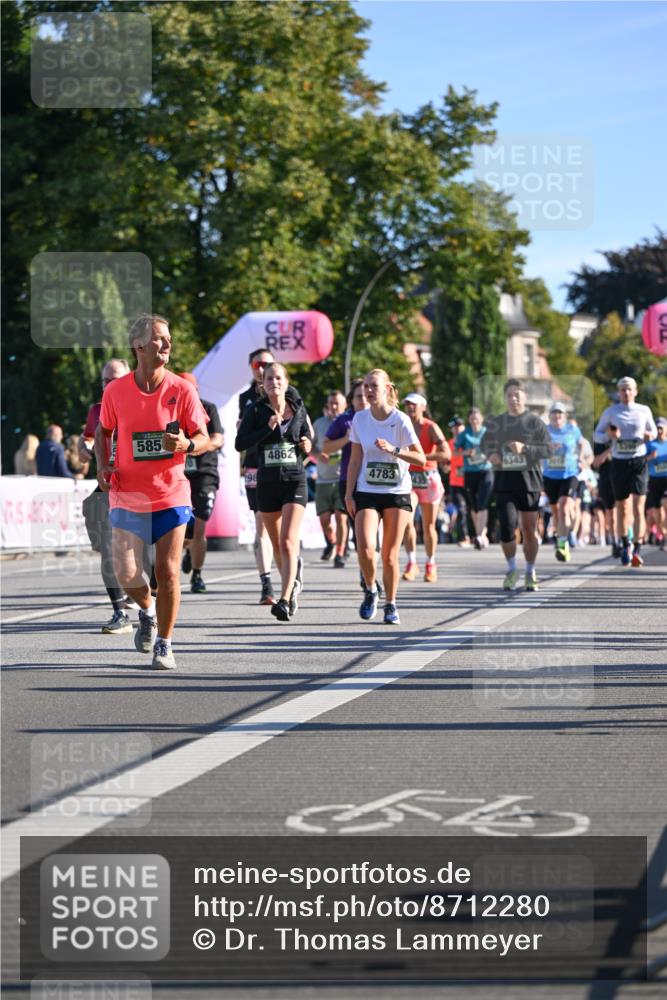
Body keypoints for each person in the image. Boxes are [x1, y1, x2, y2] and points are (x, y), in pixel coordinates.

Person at [95, 314, 210, 670]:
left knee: (169, 571)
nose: (167, 344)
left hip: (170, 493)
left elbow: (204, 439)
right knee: (126, 570)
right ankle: (146, 612)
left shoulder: (182, 390)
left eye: (168, 338)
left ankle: (165, 642)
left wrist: (187, 444)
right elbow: (103, 432)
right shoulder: (116, 391)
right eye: (159, 338)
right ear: (139, 345)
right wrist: (103, 464)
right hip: (127, 492)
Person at [345, 368, 425, 624]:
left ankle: (391, 604)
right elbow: (355, 459)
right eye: (366, 386)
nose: (368, 391)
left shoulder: (400, 419)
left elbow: (420, 458)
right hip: (367, 490)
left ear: (387, 389)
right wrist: (349, 494)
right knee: (366, 548)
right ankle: (371, 589)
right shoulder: (359, 419)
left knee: (389, 555)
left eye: (374, 386)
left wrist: (394, 449)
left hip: (397, 491)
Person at [235, 362, 312, 622]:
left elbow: (306, 438)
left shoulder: (298, 408)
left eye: (279, 378)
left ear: (286, 381)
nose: (274, 382)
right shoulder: (255, 410)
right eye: (269, 379)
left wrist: (306, 444)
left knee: (289, 541)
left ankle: (285, 597)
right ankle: (294, 581)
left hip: (294, 480)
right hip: (266, 482)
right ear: (262, 384)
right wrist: (266, 429)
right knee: (278, 544)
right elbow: (239, 444)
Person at [80, 357, 142, 635]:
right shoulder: (96, 409)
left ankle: (148, 603)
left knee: (144, 555)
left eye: (115, 379)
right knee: (107, 547)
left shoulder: (142, 403)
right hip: (108, 486)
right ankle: (119, 612)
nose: (110, 384)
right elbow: (90, 437)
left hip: (140, 487)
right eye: (106, 380)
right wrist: (86, 448)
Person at [483, 378, 551, 591]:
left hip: (529, 482)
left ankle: (530, 570)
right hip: (504, 483)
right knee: (507, 529)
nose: (514, 399)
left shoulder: (535, 422)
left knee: (529, 529)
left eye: (517, 395)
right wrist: (492, 455)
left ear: (525, 397)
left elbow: (548, 449)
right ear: (505, 398)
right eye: (510, 395)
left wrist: (526, 449)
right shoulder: (497, 422)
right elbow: (485, 444)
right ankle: (512, 569)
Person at [594, 376, 657, 567]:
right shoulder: (611, 412)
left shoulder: (644, 410)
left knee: (638, 507)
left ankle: (637, 548)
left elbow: (653, 432)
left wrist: (648, 435)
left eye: (629, 389)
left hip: (638, 462)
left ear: (636, 391)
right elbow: (596, 436)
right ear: (618, 392)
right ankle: (624, 544)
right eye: (623, 389)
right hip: (619, 463)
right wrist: (609, 435)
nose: (626, 392)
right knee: (621, 508)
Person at [238, 348, 279, 605]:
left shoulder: (287, 392)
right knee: (261, 524)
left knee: (281, 528)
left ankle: (290, 573)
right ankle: (266, 583)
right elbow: (242, 435)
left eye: (267, 364)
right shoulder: (246, 398)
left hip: (284, 467)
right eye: (257, 364)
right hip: (255, 464)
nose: (262, 369)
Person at [178, 372, 224, 594]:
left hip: (204, 472)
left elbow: (217, 439)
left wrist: (195, 446)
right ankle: (188, 550)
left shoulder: (209, 409)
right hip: (179, 475)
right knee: (182, 529)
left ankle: (197, 575)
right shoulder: (172, 412)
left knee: (199, 525)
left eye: (191, 390)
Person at [322, 379, 371, 585]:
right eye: (358, 396)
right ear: (352, 400)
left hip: (378, 482)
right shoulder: (344, 420)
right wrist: (346, 438)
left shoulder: (382, 417)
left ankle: (370, 571)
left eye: (366, 395)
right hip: (349, 480)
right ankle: (365, 572)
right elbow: (326, 447)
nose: (363, 399)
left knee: (372, 535)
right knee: (360, 532)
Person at [400, 392, 450, 582]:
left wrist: (421, 457)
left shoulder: (430, 427)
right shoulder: (402, 424)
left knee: (429, 526)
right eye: (407, 404)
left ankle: (431, 564)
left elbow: (446, 454)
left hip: (428, 477)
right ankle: (412, 563)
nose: (410, 408)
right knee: (407, 522)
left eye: (414, 404)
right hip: (409, 478)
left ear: (423, 406)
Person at [542, 402, 584, 563]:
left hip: (569, 474)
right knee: (555, 512)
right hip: (550, 475)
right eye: (554, 413)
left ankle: (562, 543)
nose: (557, 416)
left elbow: (581, 443)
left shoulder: (572, 429)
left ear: (564, 415)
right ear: (550, 415)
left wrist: (580, 458)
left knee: (564, 506)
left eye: (560, 413)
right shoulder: (544, 431)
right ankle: (563, 536)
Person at [312, 391, 348, 567]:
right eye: (330, 404)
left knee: (341, 518)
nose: (333, 407)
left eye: (337, 404)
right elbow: (309, 445)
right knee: (325, 519)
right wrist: (318, 455)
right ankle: (332, 542)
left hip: (342, 478)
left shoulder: (348, 424)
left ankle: (340, 552)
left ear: (344, 406)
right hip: (323, 480)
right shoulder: (319, 424)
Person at [456, 407, 494, 550]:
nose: (474, 420)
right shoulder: (464, 434)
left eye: (476, 418)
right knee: (474, 505)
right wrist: (465, 452)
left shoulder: (487, 433)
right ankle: (482, 534)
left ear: (481, 419)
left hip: (486, 470)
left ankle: (478, 535)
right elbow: (454, 452)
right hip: (470, 472)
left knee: (482, 502)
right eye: (471, 418)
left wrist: (487, 454)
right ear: (469, 420)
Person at [447, 417, 471, 546]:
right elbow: (445, 460)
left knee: (475, 510)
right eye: (454, 427)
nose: (456, 429)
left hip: (470, 481)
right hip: (455, 482)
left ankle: (481, 534)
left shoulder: (469, 442)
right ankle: (464, 537)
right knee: (461, 509)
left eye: (459, 426)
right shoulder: (449, 443)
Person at [645, 417, 667, 550]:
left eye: (661, 428)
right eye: (657, 428)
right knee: (657, 512)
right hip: (654, 480)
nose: (659, 430)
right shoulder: (650, 445)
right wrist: (650, 457)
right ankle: (662, 535)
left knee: (666, 504)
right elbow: (641, 460)